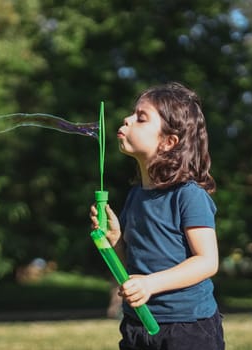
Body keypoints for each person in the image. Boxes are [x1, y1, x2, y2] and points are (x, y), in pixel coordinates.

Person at [90, 82, 225, 349]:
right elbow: (134, 264)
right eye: (132, 114)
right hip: (138, 322)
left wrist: (151, 284)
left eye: (140, 118)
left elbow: (207, 261)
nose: (127, 120)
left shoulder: (188, 195)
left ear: (167, 142)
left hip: (187, 327)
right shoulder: (136, 195)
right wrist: (116, 241)